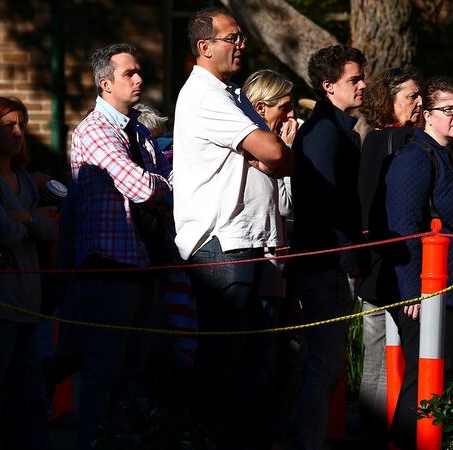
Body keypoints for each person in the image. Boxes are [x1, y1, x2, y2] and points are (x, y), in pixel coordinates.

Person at [172, 7, 293, 450]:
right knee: (227, 363)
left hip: (253, 243)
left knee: (257, 366)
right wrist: (272, 150)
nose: (241, 45)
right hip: (224, 244)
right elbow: (274, 152)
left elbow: (280, 158)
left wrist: (275, 152)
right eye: (232, 38)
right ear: (204, 47)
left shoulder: (232, 93)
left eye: (242, 37)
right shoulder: (205, 95)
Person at [65, 43, 173, 449]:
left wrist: (165, 185)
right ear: (105, 83)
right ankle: (94, 442)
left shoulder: (140, 131)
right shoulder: (94, 130)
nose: (140, 79)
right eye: (130, 73)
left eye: (139, 71)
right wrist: (165, 186)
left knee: (138, 369)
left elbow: (166, 183)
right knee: (104, 370)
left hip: (144, 260)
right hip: (109, 265)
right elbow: (144, 188)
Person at [385, 76, 453, 449]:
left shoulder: (449, 158)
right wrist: (412, 292)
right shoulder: (415, 158)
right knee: (422, 381)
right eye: (447, 109)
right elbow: (403, 228)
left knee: (442, 378)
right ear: (426, 114)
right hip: (427, 293)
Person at [290, 44, 368, 450]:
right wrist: (347, 257)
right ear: (328, 86)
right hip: (324, 263)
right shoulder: (323, 131)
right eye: (354, 79)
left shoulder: (337, 128)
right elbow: (326, 201)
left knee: (328, 364)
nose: (363, 85)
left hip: (330, 260)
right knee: (325, 363)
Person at [356, 65, 422, 447]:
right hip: (383, 264)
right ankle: (371, 435)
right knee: (377, 353)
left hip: (403, 262)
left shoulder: (415, 139)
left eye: (419, 95)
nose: (418, 102)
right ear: (389, 101)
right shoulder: (381, 142)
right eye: (410, 96)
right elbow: (367, 203)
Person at [0, 96, 55, 450]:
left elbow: (50, 230)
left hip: (30, 305)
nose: (18, 132)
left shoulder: (25, 181)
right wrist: (32, 221)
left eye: (21, 125)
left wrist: (26, 219)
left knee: (30, 394)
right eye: (8, 126)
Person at [240, 68, 298, 446]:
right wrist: (282, 157)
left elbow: (289, 206)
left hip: (280, 268)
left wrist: (284, 161)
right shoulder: (243, 145)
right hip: (255, 264)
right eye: (286, 108)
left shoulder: (277, 149)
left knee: (285, 360)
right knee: (257, 364)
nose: (292, 117)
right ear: (262, 107)